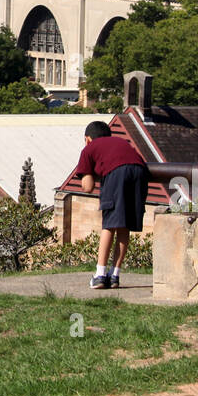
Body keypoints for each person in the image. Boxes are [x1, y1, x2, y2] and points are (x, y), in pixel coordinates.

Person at [72, 119, 148, 289]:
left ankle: (99, 275)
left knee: (110, 224)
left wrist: (89, 174)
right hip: (140, 172)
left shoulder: (89, 148)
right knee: (124, 226)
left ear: (87, 139)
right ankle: (114, 275)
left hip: (116, 174)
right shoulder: (121, 142)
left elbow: (88, 187)